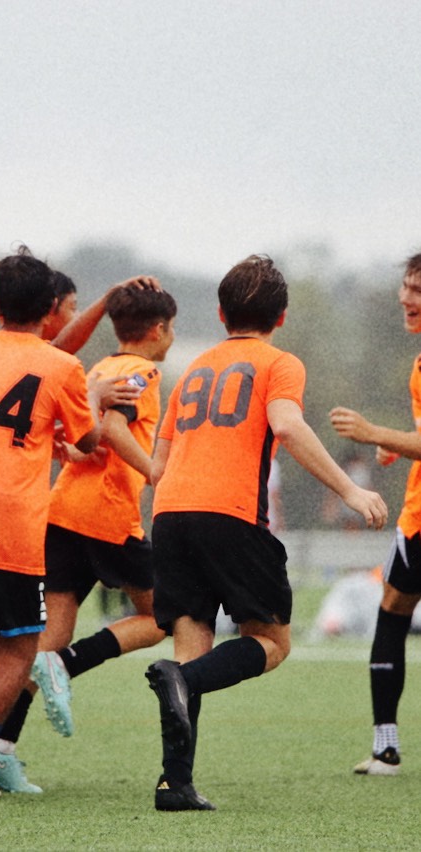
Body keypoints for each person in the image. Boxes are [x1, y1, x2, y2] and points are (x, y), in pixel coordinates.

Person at [144, 254, 388, 811]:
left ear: (221, 313)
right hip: (229, 514)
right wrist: (349, 491)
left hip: (170, 513)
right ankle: (184, 684)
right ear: (281, 318)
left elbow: (157, 465)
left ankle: (174, 783)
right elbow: (287, 425)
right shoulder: (279, 363)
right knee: (272, 642)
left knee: (190, 645)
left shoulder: (195, 368)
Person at [0, 282, 177, 794]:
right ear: (158, 331)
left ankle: (0, 747)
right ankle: (66, 665)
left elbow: (83, 429)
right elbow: (112, 428)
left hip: (63, 509)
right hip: (107, 514)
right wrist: (154, 470)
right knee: (162, 616)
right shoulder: (144, 372)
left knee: (50, 635)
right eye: (172, 329)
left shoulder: (98, 368)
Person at [0, 248, 118, 800]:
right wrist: (96, 399)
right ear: (48, 310)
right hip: (6, 519)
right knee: (20, 644)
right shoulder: (61, 366)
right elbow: (88, 440)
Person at [330, 251, 421, 776]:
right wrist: (397, 445)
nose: (405, 298)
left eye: (417, 290)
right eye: (405, 287)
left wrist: (372, 434)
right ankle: (385, 747)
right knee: (391, 609)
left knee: (392, 613)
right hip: (416, 519)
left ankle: (386, 749)